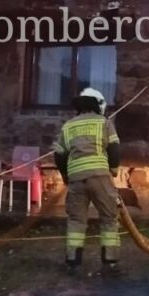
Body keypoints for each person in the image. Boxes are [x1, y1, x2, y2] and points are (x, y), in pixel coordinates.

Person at [54, 87, 122, 274]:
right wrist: (114, 170)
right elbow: (114, 148)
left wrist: (66, 175)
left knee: (76, 220)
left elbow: (59, 155)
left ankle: (73, 261)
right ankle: (110, 262)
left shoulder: (68, 126)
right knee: (109, 218)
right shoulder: (104, 122)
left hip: (76, 179)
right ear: (96, 107)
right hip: (100, 176)